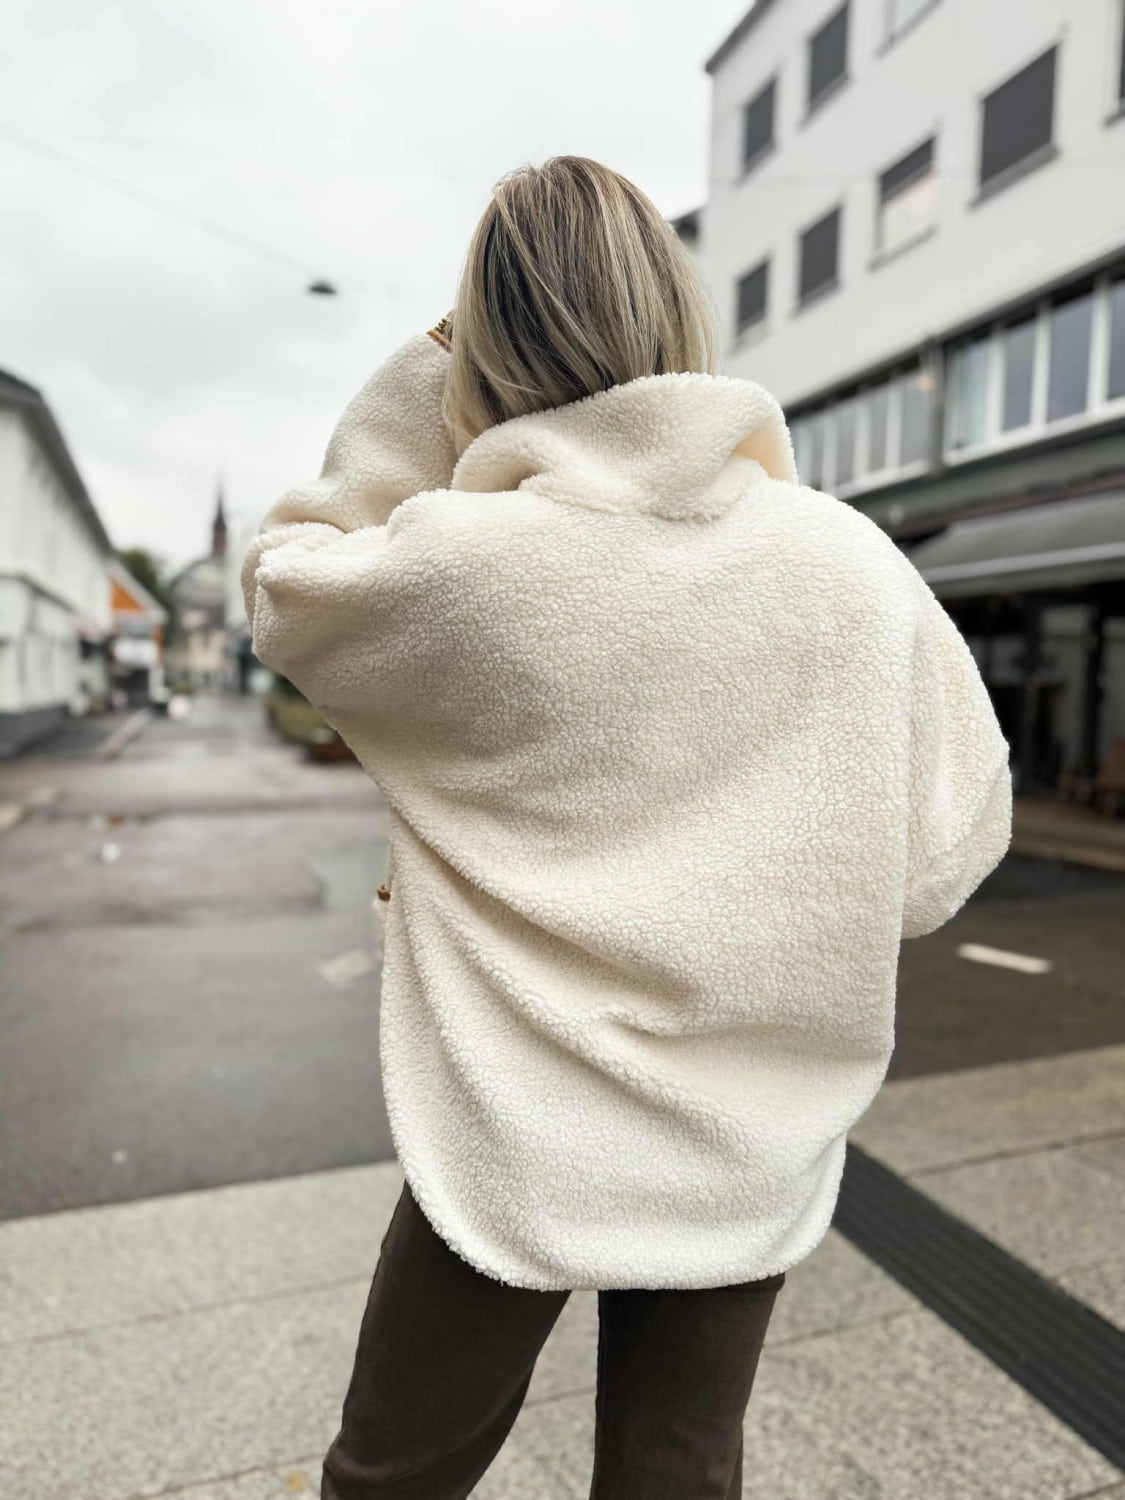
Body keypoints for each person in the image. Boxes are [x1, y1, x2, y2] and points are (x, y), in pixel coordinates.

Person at [240, 155, 1012, 1499]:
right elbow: (944, 859)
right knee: (677, 1473)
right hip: (749, 1126)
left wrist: (427, 370)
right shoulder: (848, 565)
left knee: (392, 1473)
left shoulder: (463, 569)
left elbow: (286, 581)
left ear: (484, 344)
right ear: (680, 309)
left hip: (510, 1118)